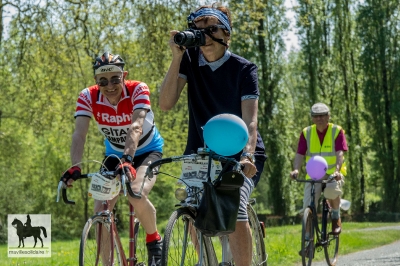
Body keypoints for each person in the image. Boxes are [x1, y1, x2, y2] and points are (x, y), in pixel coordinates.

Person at [159, 3, 267, 266]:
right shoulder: (189, 62)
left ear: (226, 34)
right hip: (200, 152)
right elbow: (165, 103)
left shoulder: (244, 69)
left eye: (211, 28)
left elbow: (250, 121)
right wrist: (176, 57)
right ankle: (208, 261)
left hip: (240, 152)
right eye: (197, 28)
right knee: (194, 208)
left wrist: (248, 156)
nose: (203, 34)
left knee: (236, 208)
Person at [62, 52, 164, 266]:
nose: (110, 86)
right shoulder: (87, 96)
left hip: (147, 151)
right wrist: (75, 167)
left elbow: (136, 126)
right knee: (100, 208)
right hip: (114, 155)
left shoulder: (138, 89)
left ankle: (154, 240)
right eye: (103, 81)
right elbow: (79, 134)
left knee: (135, 193)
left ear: (124, 76)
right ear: (96, 82)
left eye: (116, 79)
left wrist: (128, 159)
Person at [290, 102, 347, 237]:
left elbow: (340, 153)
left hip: (333, 173)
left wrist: (337, 171)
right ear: (312, 118)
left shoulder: (336, 131)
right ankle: (307, 239)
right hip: (314, 175)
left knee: (332, 191)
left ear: (328, 117)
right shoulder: (306, 132)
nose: (319, 119)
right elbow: (300, 154)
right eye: (316, 116)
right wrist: (296, 169)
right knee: (307, 206)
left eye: (322, 115)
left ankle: (335, 217)